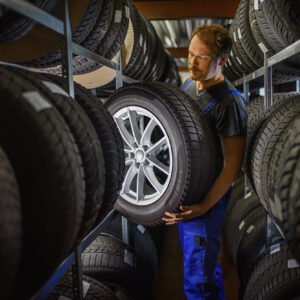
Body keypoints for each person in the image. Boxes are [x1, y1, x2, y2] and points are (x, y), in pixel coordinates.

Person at [162, 24, 247, 300]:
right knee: (197, 266)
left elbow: (232, 166)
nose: (192, 62)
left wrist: (202, 207)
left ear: (222, 60)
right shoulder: (189, 84)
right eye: (190, 54)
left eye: (201, 57)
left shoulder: (230, 104)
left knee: (200, 278)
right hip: (188, 193)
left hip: (207, 201)